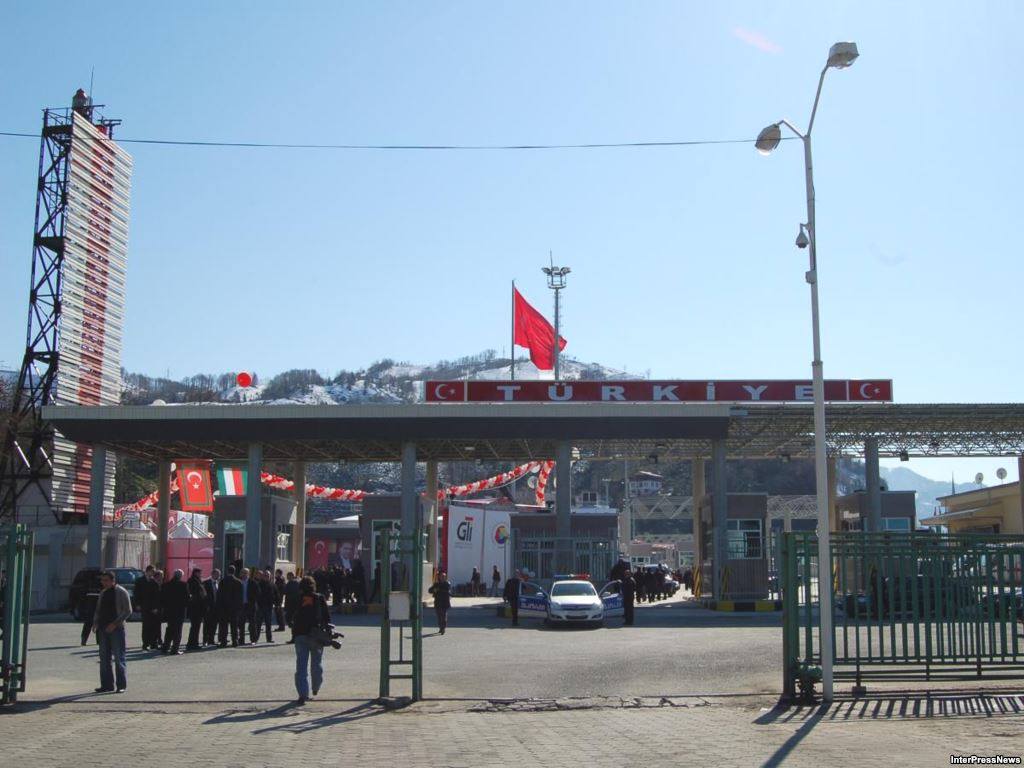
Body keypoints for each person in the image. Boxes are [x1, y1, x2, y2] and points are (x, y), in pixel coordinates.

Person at [291, 576, 330, 704]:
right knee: (316, 664)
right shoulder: (319, 598)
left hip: (300, 635)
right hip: (316, 635)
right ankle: (316, 687)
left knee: (301, 666)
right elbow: (327, 618)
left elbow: (289, 614)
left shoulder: (297, 598)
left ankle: (303, 694)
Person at [92, 570, 131, 693]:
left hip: (117, 629)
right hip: (103, 629)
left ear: (113, 581)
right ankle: (107, 684)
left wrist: (115, 624)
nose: (103, 583)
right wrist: (95, 623)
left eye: (106, 580)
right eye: (102, 580)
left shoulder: (121, 592)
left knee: (119, 658)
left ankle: (121, 685)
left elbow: (128, 610)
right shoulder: (103, 593)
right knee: (104, 658)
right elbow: (98, 610)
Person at [160, 569, 188, 654]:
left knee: (169, 629)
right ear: (180, 576)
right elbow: (187, 599)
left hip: (169, 611)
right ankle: (175, 649)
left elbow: (162, 598)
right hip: (179, 611)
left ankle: (165, 647)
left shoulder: (166, 585)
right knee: (178, 631)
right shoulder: (183, 585)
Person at [134, 565, 161, 650]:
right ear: (148, 571)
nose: (153, 573)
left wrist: (156, 607)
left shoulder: (154, 582)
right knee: (146, 626)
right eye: (152, 571)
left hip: (153, 608)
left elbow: (157, 596)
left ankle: (153, 643)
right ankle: (145, 644)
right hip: (144, 606)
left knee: (153, 625)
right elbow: (136, 593)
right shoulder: (140, 581)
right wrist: (137, 604)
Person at [217, 565, 243, 647]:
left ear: (227, 571)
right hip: (234, 608)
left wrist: (219, 606)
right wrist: (239, 607)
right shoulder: (238, 582)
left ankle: (223, 641)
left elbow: (219, 596)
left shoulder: (222, 581)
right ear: (234, 572)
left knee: (223, 626)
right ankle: (235, 641)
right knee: (234, 626)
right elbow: (240, 597)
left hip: (224, 607)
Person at [185, 568, 206, 650]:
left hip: (198, 607)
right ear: (196, 573)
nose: (201, 574)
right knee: (195, 626)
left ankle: (194, 642)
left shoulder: (197, 580)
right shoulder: (193, 581)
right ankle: (192, 643)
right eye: (200, 573)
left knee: (196, 627)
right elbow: (196, 593)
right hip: (195, 608)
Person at [252, 570, 276, 643]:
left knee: (268, 624)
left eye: (268, 575)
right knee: (258, 624)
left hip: (269, 607)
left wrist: (277, 604)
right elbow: (255, 595)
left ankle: (269, 639)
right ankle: (255, 639)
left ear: (270, 577)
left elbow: (276, 594)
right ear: (263, 577)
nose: (266, 577)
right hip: (260, 606)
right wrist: (256, 604)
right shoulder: (259, 584)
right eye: (265, 575)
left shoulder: (272, 585)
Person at [202, 568, 221, 646]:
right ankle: (205, 640)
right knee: (206, 625)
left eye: (219, 575)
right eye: (217, 574)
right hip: (208, 608)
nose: (218, 576)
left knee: (214, 625)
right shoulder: (206, 583)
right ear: (212, 574)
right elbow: (204, 596)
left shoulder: (218, 583)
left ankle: (211, 640)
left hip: (216, 608)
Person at [238, 568, 254, 644]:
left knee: (252, 623)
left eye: (246, 573)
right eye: (243, 573)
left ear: (248, 574)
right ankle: (241, 640)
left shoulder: (252, 582)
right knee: (241, 623)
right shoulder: (238, 582)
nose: (244, 574)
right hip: (241, 605)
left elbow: (257, 593)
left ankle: (253, 640)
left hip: (250, 605)